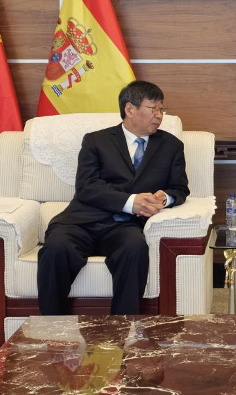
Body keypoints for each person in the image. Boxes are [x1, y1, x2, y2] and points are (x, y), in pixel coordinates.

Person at [37, 80, 189, 315]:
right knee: (56, 248)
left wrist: (164, 198)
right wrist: (131, 202)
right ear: (130, 109)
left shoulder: (171, 146)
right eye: (153, 109)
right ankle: (52, 327)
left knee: (135, 248)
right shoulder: (96, 141)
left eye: (162, 109)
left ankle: (122, 328)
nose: (159, 115)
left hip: (125, 227)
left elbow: (180, 188)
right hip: (81, 222)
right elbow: (86, 187)